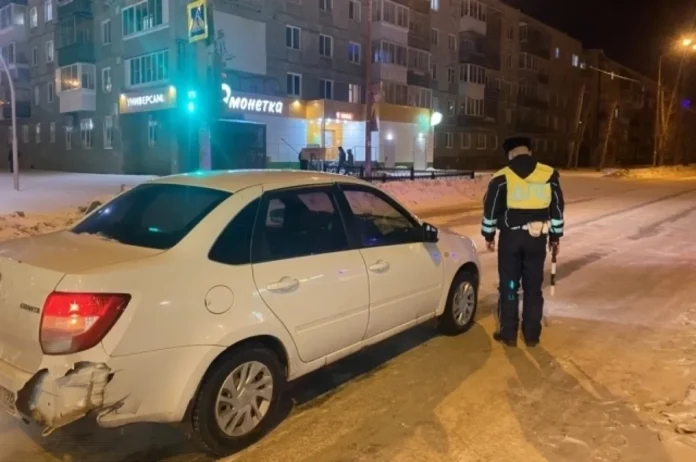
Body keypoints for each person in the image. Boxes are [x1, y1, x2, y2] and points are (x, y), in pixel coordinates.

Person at [480, 136, 565, 348]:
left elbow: (490, 209)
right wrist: (555, 237)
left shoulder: (502, 177)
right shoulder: (549, 175)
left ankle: (508, 333)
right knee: (533, 287)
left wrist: (489, 235)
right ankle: (532, 335)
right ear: (530, 152)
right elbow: (557, 208)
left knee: (509, 285)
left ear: (510, 154)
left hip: (511, 239)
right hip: (537, 239)